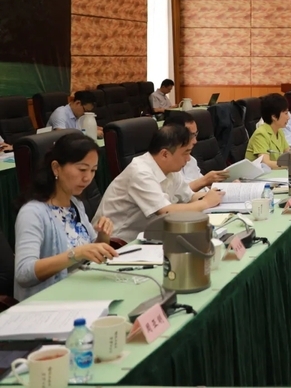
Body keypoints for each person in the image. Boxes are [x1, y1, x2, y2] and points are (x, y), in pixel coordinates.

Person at [14, 133, 118, 301]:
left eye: (93, 170)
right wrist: (75, 254)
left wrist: (103, 236)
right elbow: (24, 273)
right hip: (49, 301)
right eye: (82, 169)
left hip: (84, 292)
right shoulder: (32, 213)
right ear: (56, 168)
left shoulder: (75, 204)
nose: (88, 178)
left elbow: (92, 253)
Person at [93, 124, 225, 243]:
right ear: (165, 154)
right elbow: (166, 212)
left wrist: (221, 194)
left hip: (148, 238)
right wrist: (206, 202)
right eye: (186, 153)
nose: (189, 158)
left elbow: (189, 197)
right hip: (116, 243)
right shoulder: (140, 172)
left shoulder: (170, 169)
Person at [163, 112, 229, 192]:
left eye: (195, 135)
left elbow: (205, 186)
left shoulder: (191, 160)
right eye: (191, 135)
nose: (195, 141)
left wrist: (228, 187)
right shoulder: (167, 166)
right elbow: (180, 194)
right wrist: (205, 180)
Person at [245, 93, 290, 169]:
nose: (288, 117)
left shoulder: (279, 131)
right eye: (286, 113)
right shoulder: (261, 134)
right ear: (274, 117)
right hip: (257, 175)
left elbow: (288, 154)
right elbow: (266, 163)